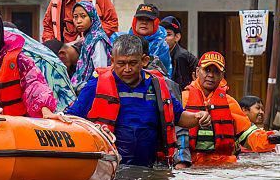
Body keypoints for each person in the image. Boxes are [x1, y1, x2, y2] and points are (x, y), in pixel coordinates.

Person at [66, 34, 210, 168]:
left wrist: (198, 117)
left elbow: (179, 117)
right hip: (110, 168)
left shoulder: (157, 86)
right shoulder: (96, 85)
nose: (127, 69)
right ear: (112, 61)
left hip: (150, 168)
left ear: (144, 61)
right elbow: (72, 119)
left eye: (133, 63)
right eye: (121, 63)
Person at [182, 52, 280, 163]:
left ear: (222, 75)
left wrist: (269, 140)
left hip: (223, 167)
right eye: (207, 70)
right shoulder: (183, 99)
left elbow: (248, 135)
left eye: (216, 71)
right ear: (198, 72)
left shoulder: (229, 103)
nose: (211, 75)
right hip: (190, 164)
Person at [116, 3, 172, 78]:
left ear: (155, 23)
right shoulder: (119, 40)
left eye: (148, 20)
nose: (144, 22)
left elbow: (163, 75)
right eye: (140, 19)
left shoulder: (162, 46)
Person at [70, 1, 112, 91]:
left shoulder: (98, 39)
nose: (78, 21)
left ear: (92, 17)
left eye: (83, 16)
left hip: (92, 89)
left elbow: (101, 70)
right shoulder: (88, 37)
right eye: (75, 17)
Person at [161, 16, 196, 90]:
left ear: (177, 37)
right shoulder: (158, 54)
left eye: (168, 34)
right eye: (162, 34)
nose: (164, 38)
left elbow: (180, 87)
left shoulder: (182, 56)